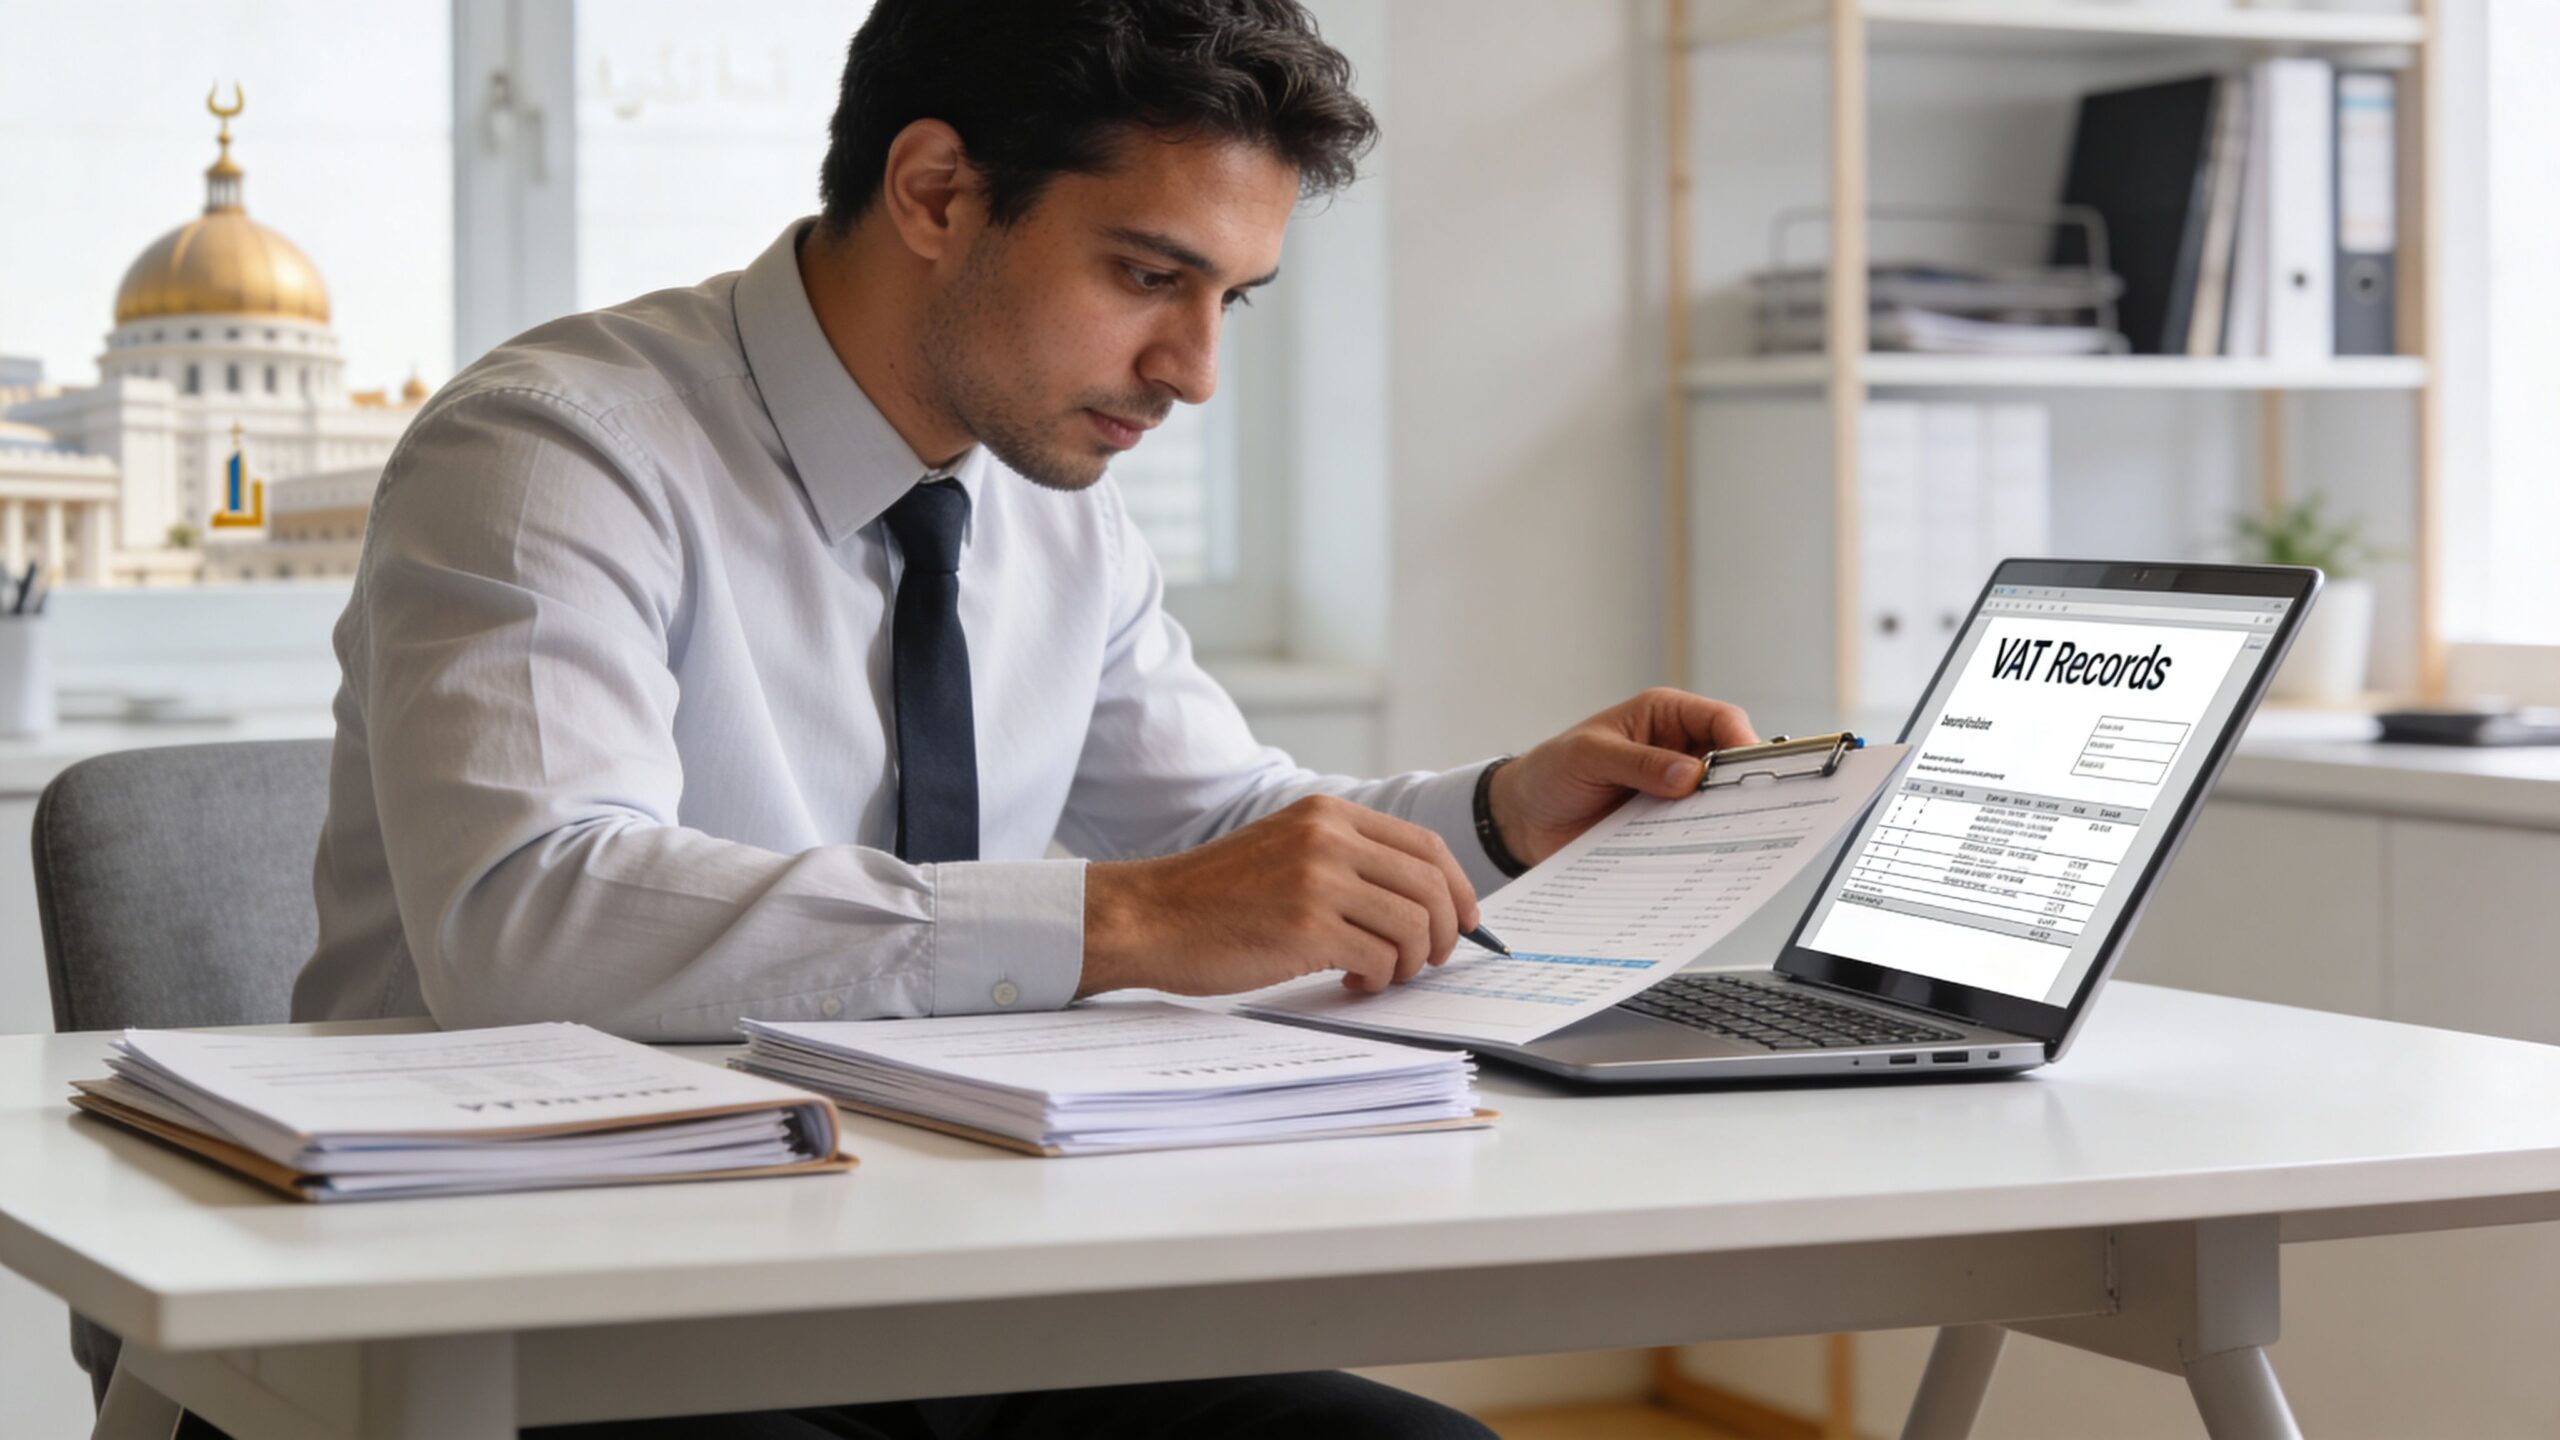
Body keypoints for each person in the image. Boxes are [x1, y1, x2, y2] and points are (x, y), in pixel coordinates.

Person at [280, 2, 1757, 1435]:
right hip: (550, 1292)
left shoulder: (1054, 510)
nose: (1194, 371)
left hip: (946, 1277)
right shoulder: (556, 451)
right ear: (936, 191)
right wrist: (1118, 923)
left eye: (1228, 300)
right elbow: (526, 917)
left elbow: (1218, 835)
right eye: (1144, 276)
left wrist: (1502, 813)